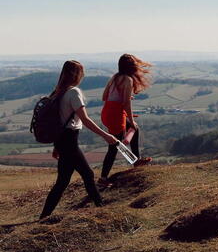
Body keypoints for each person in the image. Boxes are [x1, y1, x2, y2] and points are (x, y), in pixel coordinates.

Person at [40, 60, 118, 219]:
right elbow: (86, 120)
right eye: (81, 73)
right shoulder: (73, 92)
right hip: (69, 141)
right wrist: (106, 135)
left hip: (62, 140)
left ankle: (43, 216)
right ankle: (101, 209)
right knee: (87, 175)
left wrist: (57, 146)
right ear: (76, 74)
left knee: (62, 182)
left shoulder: (57, 92)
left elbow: (57, 122)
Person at [98, 54, 152, 185]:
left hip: (106, 112)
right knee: (114, 146)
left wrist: (122, 98)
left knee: (134, 129)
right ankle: (103, 178)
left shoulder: (114, 77)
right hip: (116, 114)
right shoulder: (128, 80)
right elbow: (126, 104)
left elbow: (104, 96)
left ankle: (136, 161)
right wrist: (130, 119)